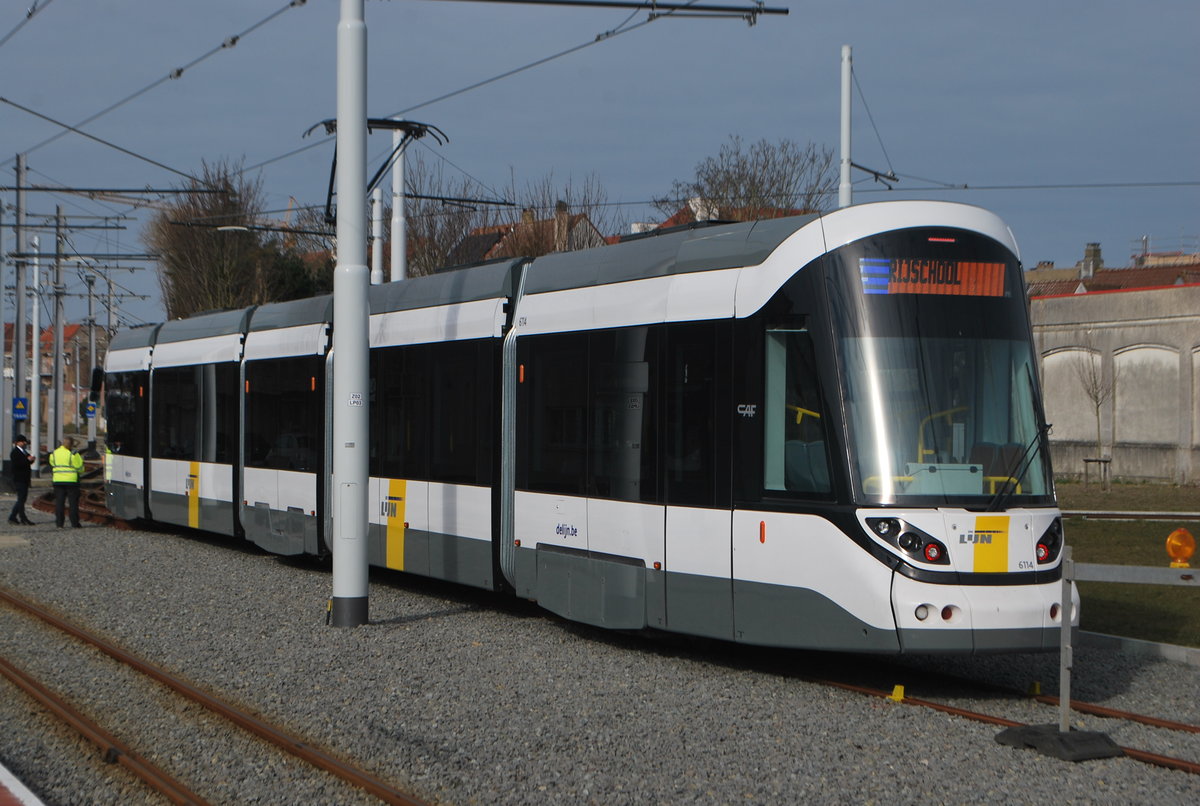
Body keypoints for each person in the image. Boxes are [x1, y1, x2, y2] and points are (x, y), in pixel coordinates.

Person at [48, 435, 84, 528]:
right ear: (71, 444)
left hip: (58, 481)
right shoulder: (73, 454)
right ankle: (74, 523)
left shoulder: (54, 453)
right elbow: (80, 467)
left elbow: (52, 463)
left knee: (59, 503)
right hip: (72, 481)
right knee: (73, 503)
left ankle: (59, 523)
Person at [8, 434, 35, 525]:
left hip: (25, 478)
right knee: (21, 498)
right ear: (18, 443)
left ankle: (12, 517)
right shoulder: (15, 452)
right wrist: (28, 460)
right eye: (23, 442)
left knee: (22, 499)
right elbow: (18, 465)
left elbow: (27, 461)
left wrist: (31, 460)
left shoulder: (24, 451)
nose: (24, 443)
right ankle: (23, 518)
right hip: (19, 478)